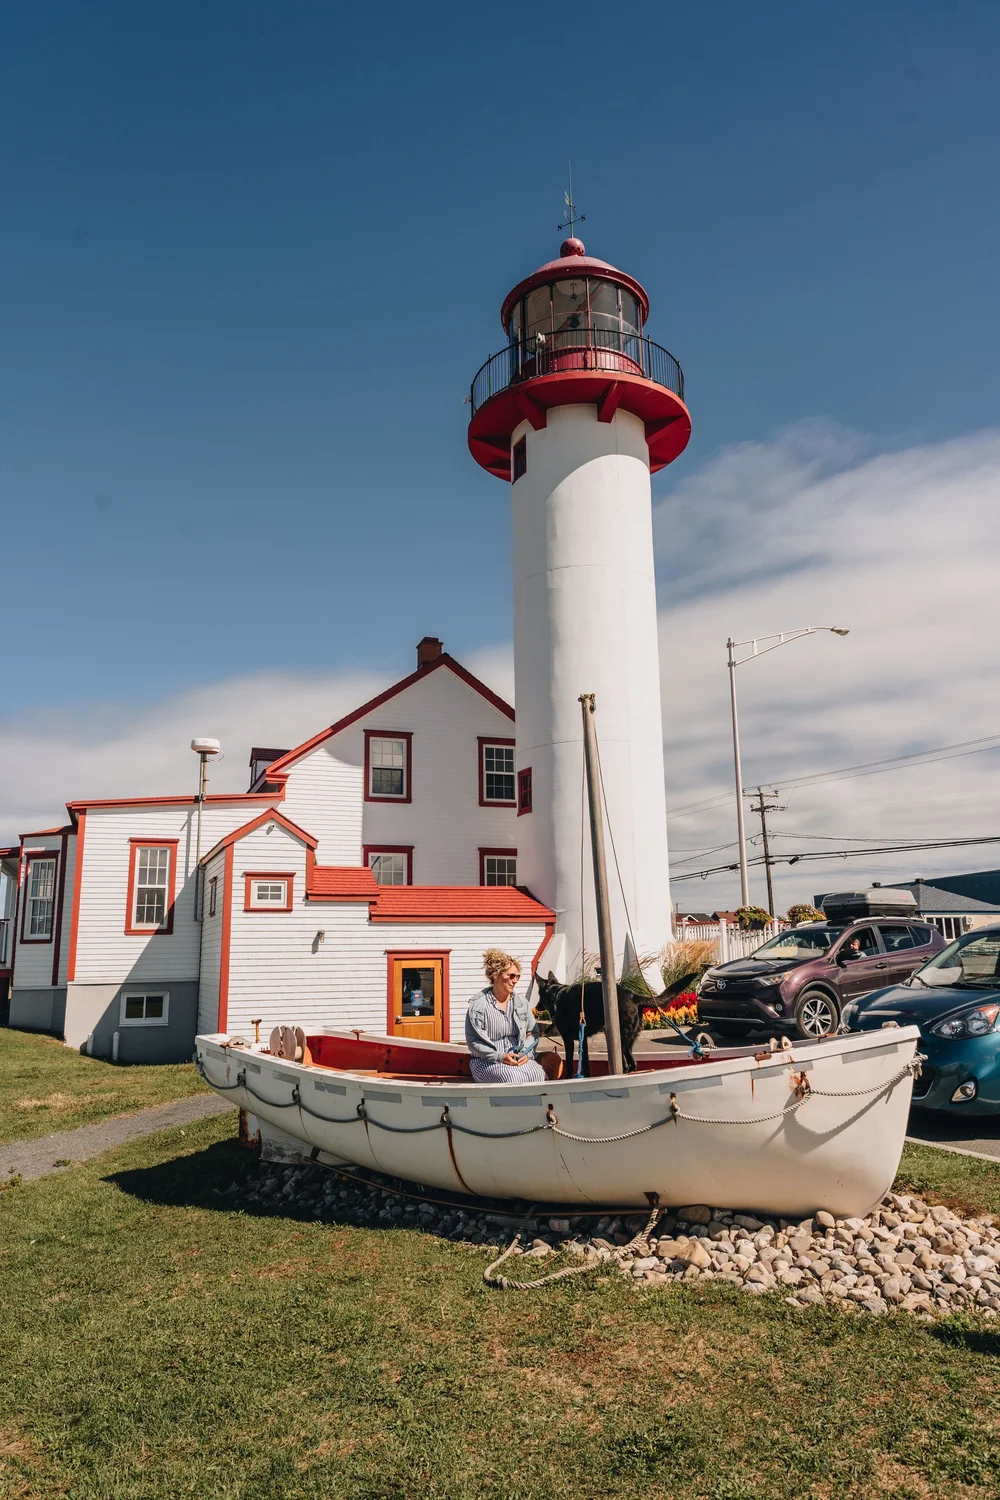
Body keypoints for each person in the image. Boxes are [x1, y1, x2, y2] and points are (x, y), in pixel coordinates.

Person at [465, 949, 548, 1083]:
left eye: (517, 977)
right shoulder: (479, 1006)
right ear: (496, 975)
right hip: (487, 1062)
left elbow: (532, 1033)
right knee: (511, 1078)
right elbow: (474, 1043)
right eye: (511, 976)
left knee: (537, 1074)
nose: (515, 980)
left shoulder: (521, 1003)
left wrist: (526, 1053)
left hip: (518, 1058)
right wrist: (501, 1057)